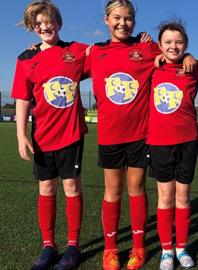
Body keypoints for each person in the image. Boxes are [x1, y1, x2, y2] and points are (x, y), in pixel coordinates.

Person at [83, 1, 160, 269]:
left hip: (140, 135)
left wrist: (186, 57)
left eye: (128, 18)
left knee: (136, 189)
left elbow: (176, 53)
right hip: (110, 136)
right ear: (106, 19)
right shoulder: (94, 52)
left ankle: (139, 248)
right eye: (117, 17)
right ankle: (110, 248)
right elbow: (62, 63)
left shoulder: (147, 48)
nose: (123, 23)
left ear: (135, 22)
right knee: (112, 191)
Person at [12, 1, 87, 269]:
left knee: (71, 187)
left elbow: (108, 57)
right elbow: (22, 99)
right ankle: (48, 246)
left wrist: (139, 39)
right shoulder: (26, 58)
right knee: (46, 188)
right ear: (33, 28)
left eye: (49, 21)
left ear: (59, 22)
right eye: (39, 24)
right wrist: (21, 135)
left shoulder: (77, 51)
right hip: (42, 136)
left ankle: (73, 246)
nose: (45, 27)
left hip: (72, 134)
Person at [147, 20, 198, 270]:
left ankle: (181, 248)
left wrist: (193, 57)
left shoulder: (194, 67)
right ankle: (166, 251)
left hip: (187, 141)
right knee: (165, 197)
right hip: (160, 142)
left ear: (187, 45)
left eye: (179, 42)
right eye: (168, 42)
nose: (174, 46)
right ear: (159, 45)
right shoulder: (150, 66)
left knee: (182, 197)